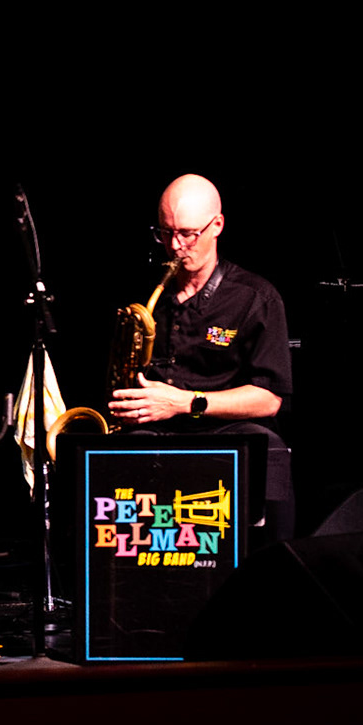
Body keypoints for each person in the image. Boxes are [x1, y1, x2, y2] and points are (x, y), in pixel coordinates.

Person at [107, 173, 294, 542]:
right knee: (102, 458)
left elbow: (269, 399)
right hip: (155, 427)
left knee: (268, 449)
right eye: (165, 232)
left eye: (188, 234)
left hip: (224, 427)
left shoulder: (256, 298)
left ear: (217, 225)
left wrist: (183, 403)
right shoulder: (145, 295)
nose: (175, 246)